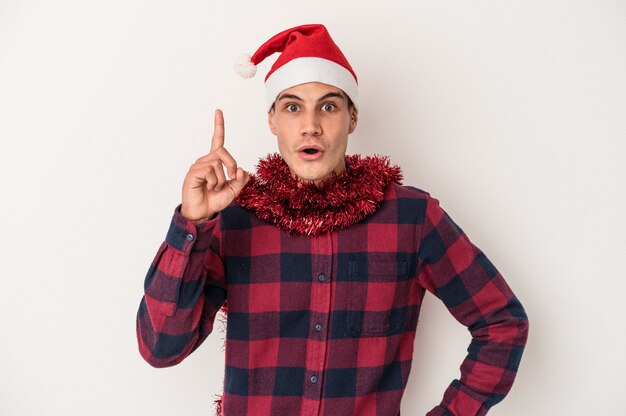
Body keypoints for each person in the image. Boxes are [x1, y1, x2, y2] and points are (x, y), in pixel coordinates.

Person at [136, 24, 529, 416]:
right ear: (272, 120)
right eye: (292, 107)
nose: (311, 125)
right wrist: (193, 225)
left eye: (328, 106)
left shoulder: (411, 219)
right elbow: (160, 347)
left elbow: (502, 323)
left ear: (352, 118)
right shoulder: (235, 220)